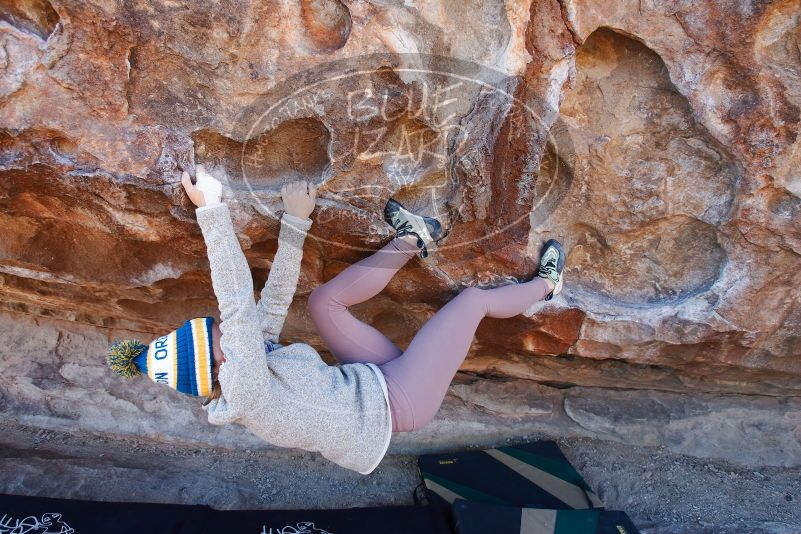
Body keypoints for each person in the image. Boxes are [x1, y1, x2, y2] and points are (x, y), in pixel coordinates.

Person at [107, 166, 566, 474]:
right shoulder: (246, 391)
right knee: (471, 303)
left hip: (368, 383)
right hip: (400, 402)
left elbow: (273, 300)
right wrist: (211, 207)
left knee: (323, 303)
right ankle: (548, 285)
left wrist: (294, 221)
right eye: (219, 335)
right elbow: (236, 299)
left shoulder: (247, 370)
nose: (225, 327)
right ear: (220, 363)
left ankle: (414, 237)